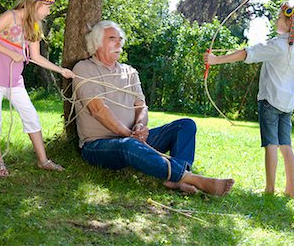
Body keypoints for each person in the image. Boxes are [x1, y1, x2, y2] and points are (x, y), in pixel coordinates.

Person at [204, 0, 294, 197]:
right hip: (287, 105)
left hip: (269, 102)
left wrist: (216, 60)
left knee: (271, 146)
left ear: (288, 22)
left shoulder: (277, 46)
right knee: (286, 146)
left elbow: (246, 53)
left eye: (279, 17)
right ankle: (290, 190)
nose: (276, 20)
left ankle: (269, 189)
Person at [72, 20, 235, 196]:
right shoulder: (84, 69)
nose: (118, 43)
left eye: (120, 39)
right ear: (96, 42)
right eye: (112, 38)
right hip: (99, 144)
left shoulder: (129, 72)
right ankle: (189, 177)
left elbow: (141, 106)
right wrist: (128, 134)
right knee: (128, 145)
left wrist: (140, 126)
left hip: (133, 139)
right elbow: (98, 110)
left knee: (186, 125)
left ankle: (176, 179)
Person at [0, 0, 75, 177]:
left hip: (14, 80)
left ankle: (43, 160)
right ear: (36, 4)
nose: (48, 12)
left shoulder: (34, 26)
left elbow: (36, 57)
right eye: (47, 7)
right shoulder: (10, 16)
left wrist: (61, 70)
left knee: (30, 115)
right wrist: (11, 53)